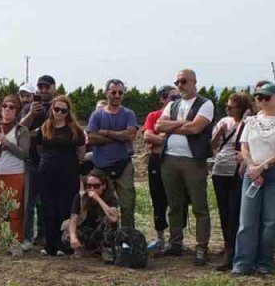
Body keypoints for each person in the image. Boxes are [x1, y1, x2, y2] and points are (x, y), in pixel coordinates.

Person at [232, 84, 275, 276]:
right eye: (258, 97)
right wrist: (252, 166)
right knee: (247, 219)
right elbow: (244, 146)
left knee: (270, 221)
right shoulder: (251, 121)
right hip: (252, 170)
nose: (262, 100)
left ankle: (264, 263)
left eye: (266, 97)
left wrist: (263, 167)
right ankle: (242, 263)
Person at [156, 69, 216, 266]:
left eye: (183, 81)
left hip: (193, 161)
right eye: (177, 81)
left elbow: (196, 128)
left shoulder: (205, 104)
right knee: (174, 205)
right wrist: (183, 123)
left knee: (200, 206)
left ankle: (201, 247)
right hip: (169, 160)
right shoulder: (173, 104)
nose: (179, 85)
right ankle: (175, 243)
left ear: (194, 82)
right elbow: (159, 126)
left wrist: (173, 125)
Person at [36, 95, 87, 256]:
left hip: (68, 174)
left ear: (68, 112)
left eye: (63, 110)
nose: (59, 112)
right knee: (47, 208)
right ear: (52, 109)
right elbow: (39, 148)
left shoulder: (75, 130)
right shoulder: (44, 127)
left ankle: (63, 244)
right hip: (46, 173)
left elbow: (81, 152)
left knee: (64, 208)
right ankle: (49, 244)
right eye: (56, 109)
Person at [87, 79, 139, 230]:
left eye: (120, 93)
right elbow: (91, 138)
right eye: (113, 92)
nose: (117, 95)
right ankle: (106, 238)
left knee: (127, 204)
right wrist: (118, 136)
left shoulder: (129, 114)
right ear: (106, 93)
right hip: (102, 167)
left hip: (124, 165)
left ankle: (127, 237)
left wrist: (106, 132)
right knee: (104, 204)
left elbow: (130, 135)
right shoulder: (97, 115)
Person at [0, 93, 30, 253]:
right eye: (4, 106)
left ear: (17, 110)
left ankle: (15, 243)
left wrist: (6, 142)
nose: (7, 109)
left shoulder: (21, 130)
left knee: (15, 211)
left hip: (14, 173)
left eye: (12, 107)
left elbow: (24, 154)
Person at [211, 92, 249, 271]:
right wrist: (218, 133)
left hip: (237, 172)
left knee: (235, 211)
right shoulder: (223, 122)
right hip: (220, 170)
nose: (227, 109)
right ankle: (228, 245)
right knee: (224, 211)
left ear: (241, 108)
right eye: (226, 106)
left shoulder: (248, 123)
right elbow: (211, 145)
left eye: (231, 107)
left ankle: (234, 249)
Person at [20, 74, 57, 247]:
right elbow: (20, 129)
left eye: (46, 87)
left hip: (50, 159)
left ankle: (44, 235)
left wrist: (36, 133)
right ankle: (27, 236)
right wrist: (31, 115)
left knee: (46, 201)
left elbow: (55, 131)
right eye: (40, 87)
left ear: (53, 88)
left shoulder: (58, 107)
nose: (43, 90)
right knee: (28, 201)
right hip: (31, 159)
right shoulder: (29, 108)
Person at [142, 87, 178, 253]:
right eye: (172, 97)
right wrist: (165, 137)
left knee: (178, 201)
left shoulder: (182, 116)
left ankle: (176, 239)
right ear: (163, 99)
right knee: (158, 199)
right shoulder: (153, 116)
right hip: (157, 161)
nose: (176, 99)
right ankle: (160, 238)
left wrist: (159, 140)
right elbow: (147, 137)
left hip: (176, 160)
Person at [68, 169, 120, 259]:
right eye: (89, 186)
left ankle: (107, 251)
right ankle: (85, 250)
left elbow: (113, 218)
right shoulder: (80, 197)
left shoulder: (110, 199)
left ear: (103, 186)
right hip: (88, 233)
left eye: (96, 186)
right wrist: (73, 237)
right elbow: (73, 219)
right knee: (67, 235)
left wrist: (98, 199)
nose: (92, 189)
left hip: (103, 234)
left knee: (108, 219)